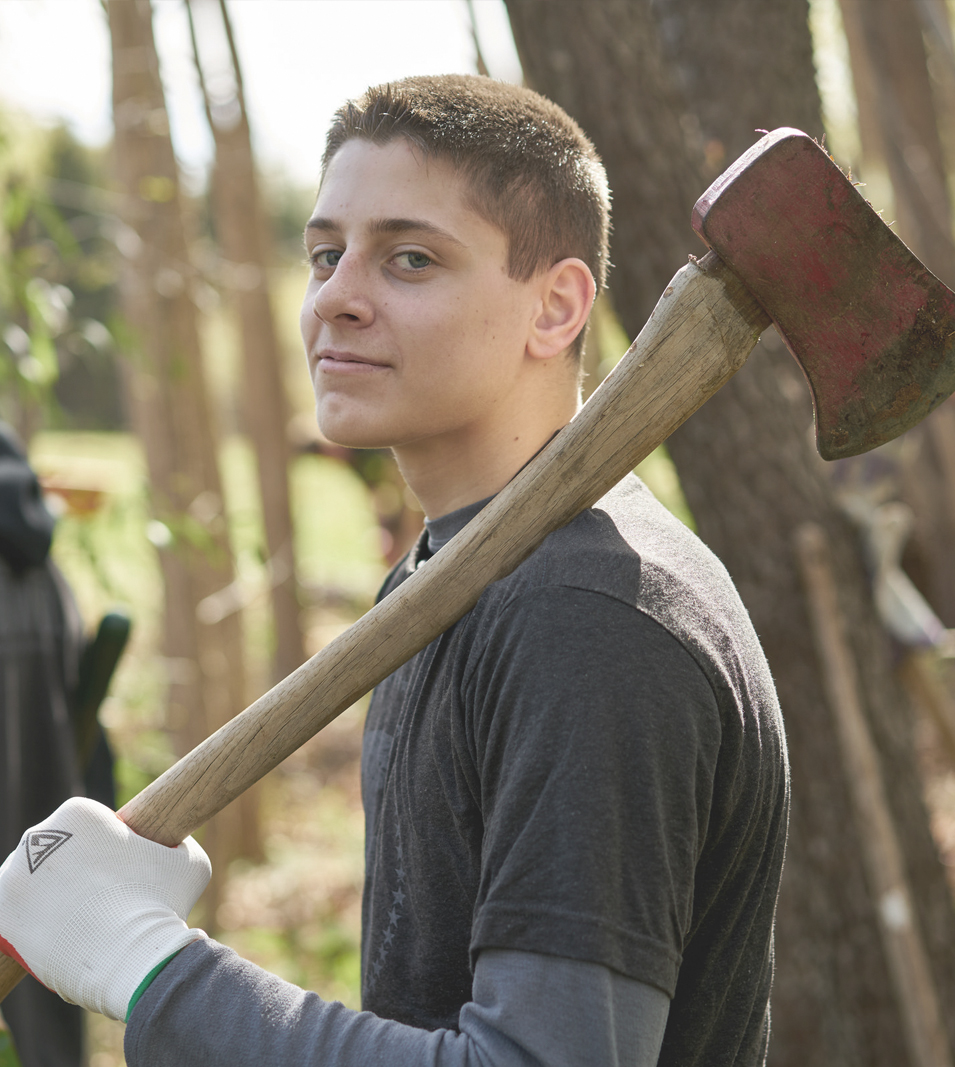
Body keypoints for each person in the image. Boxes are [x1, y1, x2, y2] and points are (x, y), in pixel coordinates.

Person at [0, 75, 789, 1067]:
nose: (335, 298)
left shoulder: (591, 618)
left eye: (408, 259)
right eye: (325, 255)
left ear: (555, 307)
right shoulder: (447, 577)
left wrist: (156, 968)